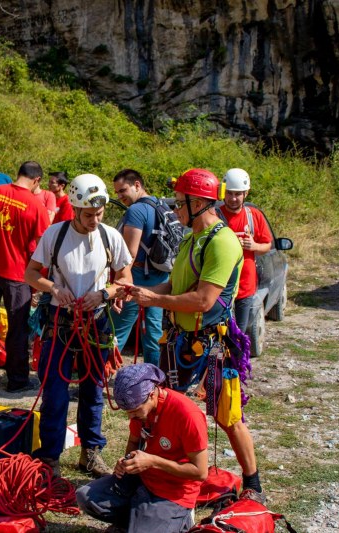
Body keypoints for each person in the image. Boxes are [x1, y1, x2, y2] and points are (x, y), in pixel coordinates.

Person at [124, 168, 266, 504]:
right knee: (168, 410)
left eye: (180, 202)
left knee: (227, 415)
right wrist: (137, 292)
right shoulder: (192, 238)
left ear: (199, 202)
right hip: (181, 341)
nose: (175, 209)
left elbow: (204, 299)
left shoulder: (222, 242)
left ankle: (253, 484)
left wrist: (153, 300)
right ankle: (165, 475)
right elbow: (174, 286)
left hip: (213, 343)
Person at [25, 173, 132, 477]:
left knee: (93, 390)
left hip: (96, 324)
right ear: (74, 209)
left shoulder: (110, 236)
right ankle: (49, 457)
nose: (94, 220)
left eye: (99, 213)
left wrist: (104, 293)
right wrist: (54, 289)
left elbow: (126, 279)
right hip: (60, 323)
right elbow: (31, 273)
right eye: (88, 214)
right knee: (55, 393)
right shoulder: (55, 235)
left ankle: (91, 451)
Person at [76, 363, 208, 532]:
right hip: (144, 480)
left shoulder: (187, 415)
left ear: (152, 394)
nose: (131, 417)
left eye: (135, 411)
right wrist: (127, 463)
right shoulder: (141, 411)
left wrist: (153, 461)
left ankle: (180, 518)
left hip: (173, 493)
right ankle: (137, 519)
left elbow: (201, 472)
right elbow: (133, 441)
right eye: (128, 412)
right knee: (85, 497)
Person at [0, 161, 49, 392]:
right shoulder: (36, 205)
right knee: (17, 328)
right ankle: (17, 380)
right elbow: (43, 249)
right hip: (17, 276)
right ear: (37, 180)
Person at [111, 169, 169, 365]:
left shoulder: (135, 211)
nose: (120, 196)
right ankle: (154, 380)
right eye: (117, 192)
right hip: (160, 277)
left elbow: (130, 253)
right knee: (153, 334)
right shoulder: (161, 204)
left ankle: (99, 379)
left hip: (136, 277)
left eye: (123, 190)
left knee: (116, 332)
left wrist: (119, 282)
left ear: (137, 185)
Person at [218, 168, 272, 334]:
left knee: (239, 334)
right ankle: (221, 361)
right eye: (229, 193)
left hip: (245, 287)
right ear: (223, 192)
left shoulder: (254, 216)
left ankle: (237, 360)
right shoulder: (215, 215)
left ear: (245, 194)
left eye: (238, 194)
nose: (233, 198)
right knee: (218, 335)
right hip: (218, 287)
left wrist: (254, 246)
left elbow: (267, 245)